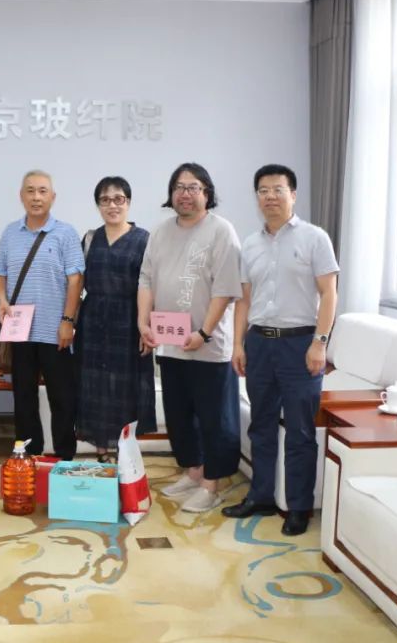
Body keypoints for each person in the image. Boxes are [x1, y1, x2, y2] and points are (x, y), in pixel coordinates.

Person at [223, 164, 339, 536]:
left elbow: (329, 293)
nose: (270, 197)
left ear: (293, 194)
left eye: (278, 189)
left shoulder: (314, 238)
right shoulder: (250, 244)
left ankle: (299, 507)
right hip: (259, 343)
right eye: (263, 190)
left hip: (300, 344)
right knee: (261, 424)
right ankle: (260, 496)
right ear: (256, 197)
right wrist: (238, 344)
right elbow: (244, 300)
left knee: (300, 430)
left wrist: (320, 343)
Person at [139, 163, 242, 513]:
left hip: (208, 346)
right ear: (171, 194)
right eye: (179, 187)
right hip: (170, 342)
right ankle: (193, 472)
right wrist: (143, 322)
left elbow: (225, 289)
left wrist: (204, 332)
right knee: (180, 414)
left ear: (206, 193)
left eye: (193, 187)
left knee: (214, 417)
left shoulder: (221, 231)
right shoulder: (160, 232)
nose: (185, 194)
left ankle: (212, 484)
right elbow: (146, 279)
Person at [0, 170, 84, 460]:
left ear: (52, 197)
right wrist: (2, 300)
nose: (36, 197)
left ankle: (64, 458)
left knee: (63, 399)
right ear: (21, 196)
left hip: (55, 331)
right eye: (30, 191)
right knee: (23, 399)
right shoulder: (10, 233)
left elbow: (75, 280)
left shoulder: (66, 233)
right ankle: (29, 457)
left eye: (42, 191)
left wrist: (67, 321)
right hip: (20, 332)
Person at [75, 176, 155, 462]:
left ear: (128, 202)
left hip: (130, 321)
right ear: (98, 205)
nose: (112, 205)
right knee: (94, 383)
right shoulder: (89, 239)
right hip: (93, 321)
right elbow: (77, 283)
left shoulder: (145, 239)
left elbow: (150, 286)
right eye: (105, 200)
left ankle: (125, 449)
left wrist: (147, 327)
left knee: (125, 386)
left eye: (118, 199)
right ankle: (101, 450)